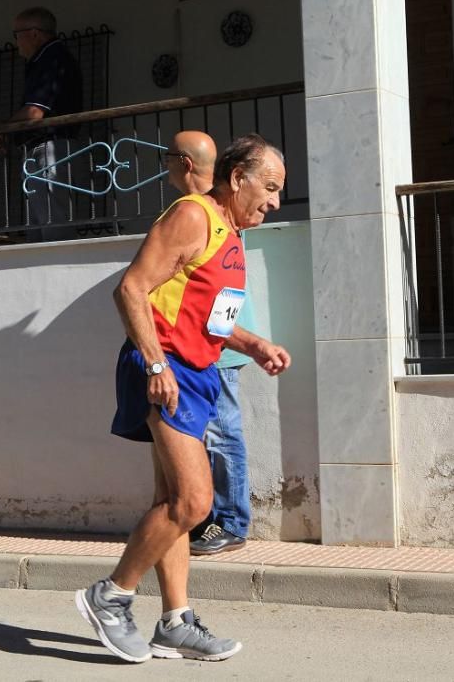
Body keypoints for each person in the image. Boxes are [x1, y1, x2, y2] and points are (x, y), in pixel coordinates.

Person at [75, 134, 291, 664]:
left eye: (280, 191)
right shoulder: (194, 216)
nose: (276, 201)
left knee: (170, 504)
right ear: (237, 178)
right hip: (164, 368)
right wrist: (155, 365)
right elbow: (130, 289)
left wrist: (253, 343)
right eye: (269, 187)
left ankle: (174, 622)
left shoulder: (232, 236)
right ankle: (111, 596)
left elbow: (216, 320)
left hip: (197, 372)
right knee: (194, 502)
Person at [163, 130, 255, 556]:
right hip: (196, 344)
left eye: (167, 158)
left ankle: (231, 523)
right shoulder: (206, 210)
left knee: (222, 432)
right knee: (203, 436)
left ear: (183, 163)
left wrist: (230, 339)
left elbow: (225, 289)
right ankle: (201, 521)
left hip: (214, 344)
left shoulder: (216, 211)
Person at [0, 7, 83, 241]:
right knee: (40, 222)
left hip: (51, 147)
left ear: (34, 34)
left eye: (17, 34)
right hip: (45, 146)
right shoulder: (46, 59)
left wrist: (2, 129)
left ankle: (59, 268)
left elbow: (34, 112)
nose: (15, 42)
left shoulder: (52, 59)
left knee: (52, 222)